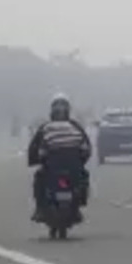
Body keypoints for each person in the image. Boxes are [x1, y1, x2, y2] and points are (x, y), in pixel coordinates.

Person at [27, 94, 92, 222]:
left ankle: (40, 208)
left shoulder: (46, 127)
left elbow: (34, 148)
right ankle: (78, 205)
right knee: (83, 176)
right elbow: (86, 148)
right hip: (73, 168)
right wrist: (81, 161)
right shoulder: (75, 127)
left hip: (52, 168)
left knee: (39, 178)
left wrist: (34, 160)